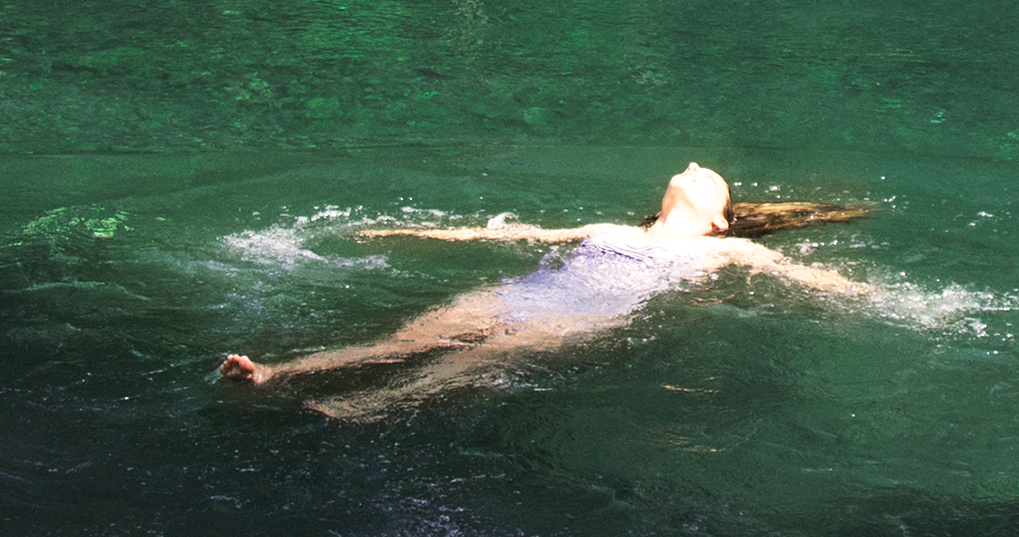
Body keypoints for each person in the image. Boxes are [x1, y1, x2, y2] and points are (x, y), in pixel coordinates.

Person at [216, 164, 874, 416]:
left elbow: (798, 273)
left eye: (711, 178)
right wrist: (404, 231)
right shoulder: (611, 226)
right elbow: (501, 235)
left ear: (719, 217)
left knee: (472, 359)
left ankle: (370, 407)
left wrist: (867, 295)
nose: (697, 166)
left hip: (580, 316)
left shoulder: (720, 247)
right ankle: (278, 372)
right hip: (515, 295)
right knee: (406, 338)